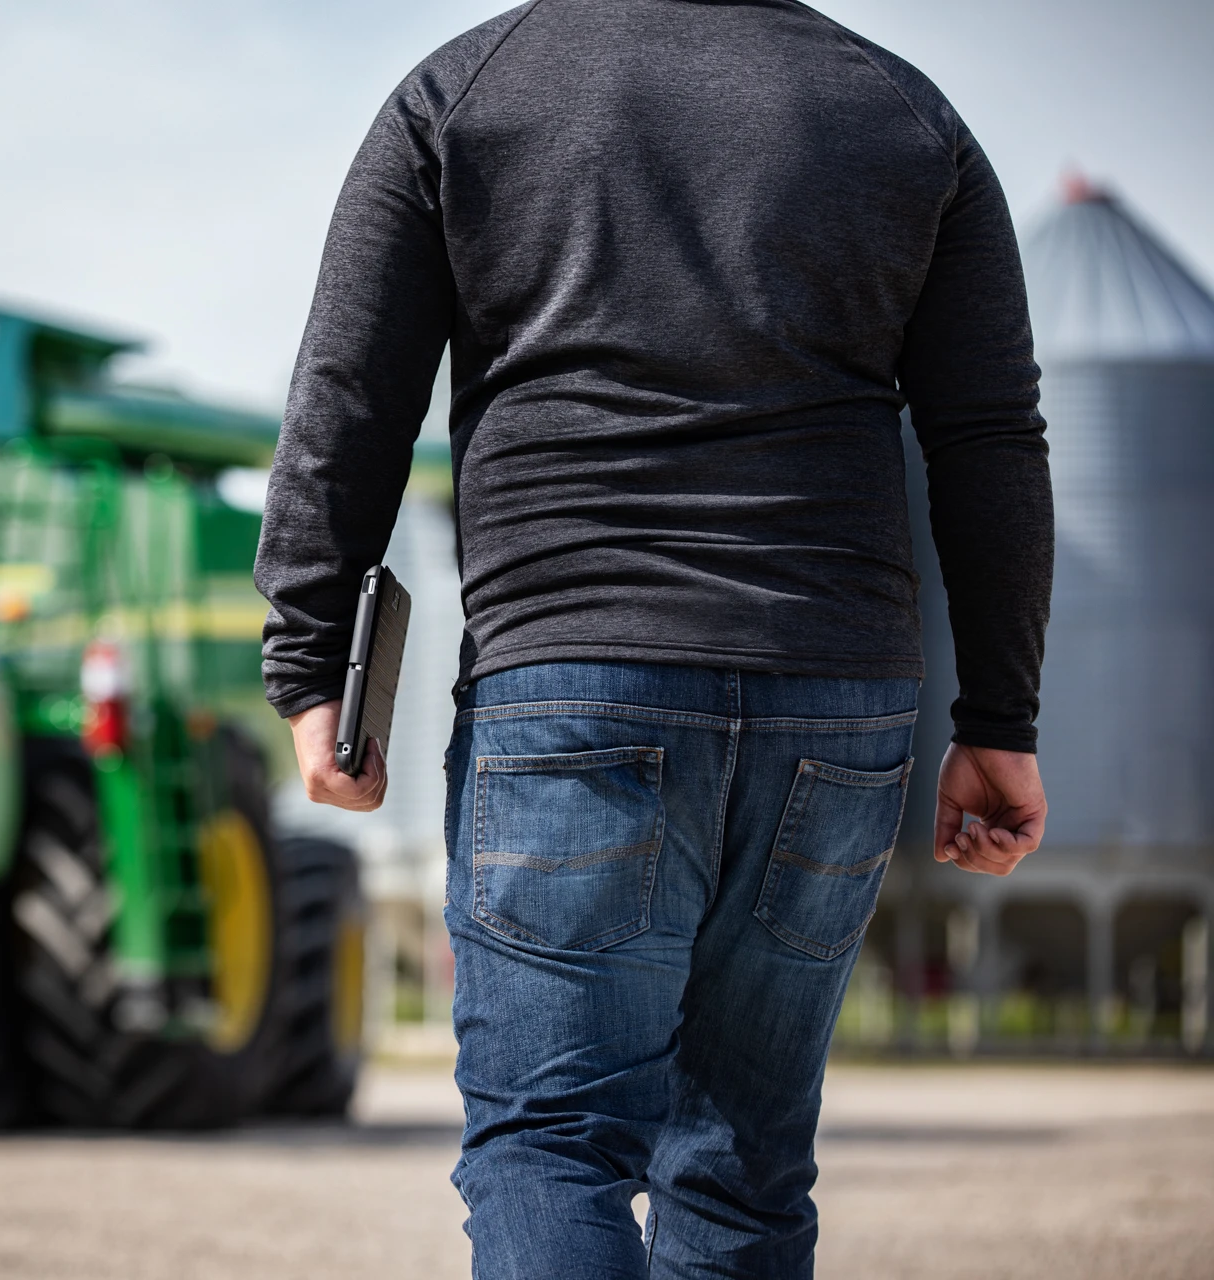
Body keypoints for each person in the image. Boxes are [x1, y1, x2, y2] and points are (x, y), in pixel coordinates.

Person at [253, 2, 1053, 1277]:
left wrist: (308, 663)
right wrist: (999, 720)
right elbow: (991, 439)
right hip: (836, 699)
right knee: (744, 1165)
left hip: (572, 677)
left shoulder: (466, 92)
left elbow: (348, 396)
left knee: (553, 1146)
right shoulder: (905, 115)